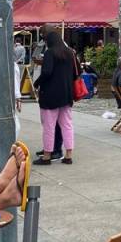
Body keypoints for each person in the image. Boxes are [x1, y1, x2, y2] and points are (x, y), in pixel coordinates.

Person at [34, 30, 78, 165]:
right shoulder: (70, 52)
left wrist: (37, 83)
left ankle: (47, 156)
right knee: (67, 124)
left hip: (50, 94)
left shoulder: (49, 53)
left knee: (49, 126)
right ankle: (68, 155)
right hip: (66, 93)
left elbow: (47, 72)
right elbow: (77, 73)